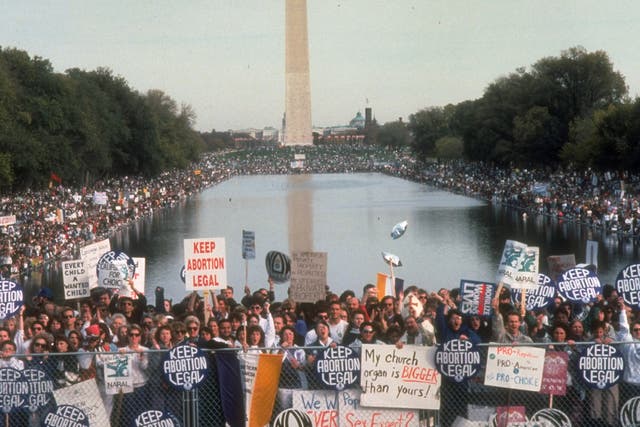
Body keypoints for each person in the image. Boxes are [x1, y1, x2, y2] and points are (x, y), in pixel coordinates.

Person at [118, 324, 150, 426]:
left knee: (141, 414)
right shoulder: (122, 350)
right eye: (131, 335)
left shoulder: (145, 350)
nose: (134, 337)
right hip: (127, 386)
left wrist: (142, 357)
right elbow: (118, 370)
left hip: (142, 385)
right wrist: (120, 357)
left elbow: (145, 368)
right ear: (128, 336)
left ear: (140, 337)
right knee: (128, 414)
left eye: (137, 335)